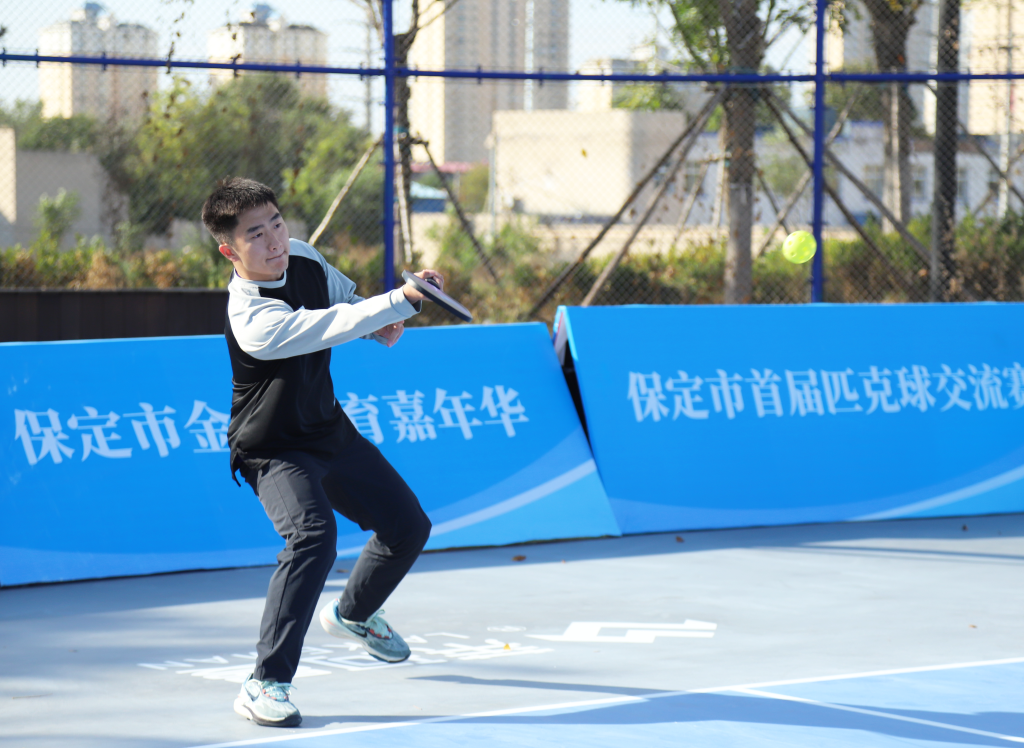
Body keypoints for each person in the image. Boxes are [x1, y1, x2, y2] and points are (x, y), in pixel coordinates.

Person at [201, 177, 437, 728]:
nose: (274, 240)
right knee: (312, 536)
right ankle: (264, 682)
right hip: (273, 448)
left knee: (408, 526)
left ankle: (355, 614)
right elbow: (324, 326)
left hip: (327, 429)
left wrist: (382, 325)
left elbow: (344, 304)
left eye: (277, 223)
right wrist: (397, 301)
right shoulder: (251, 317)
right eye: (255, 235)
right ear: (230, 250)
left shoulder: (303, 256)